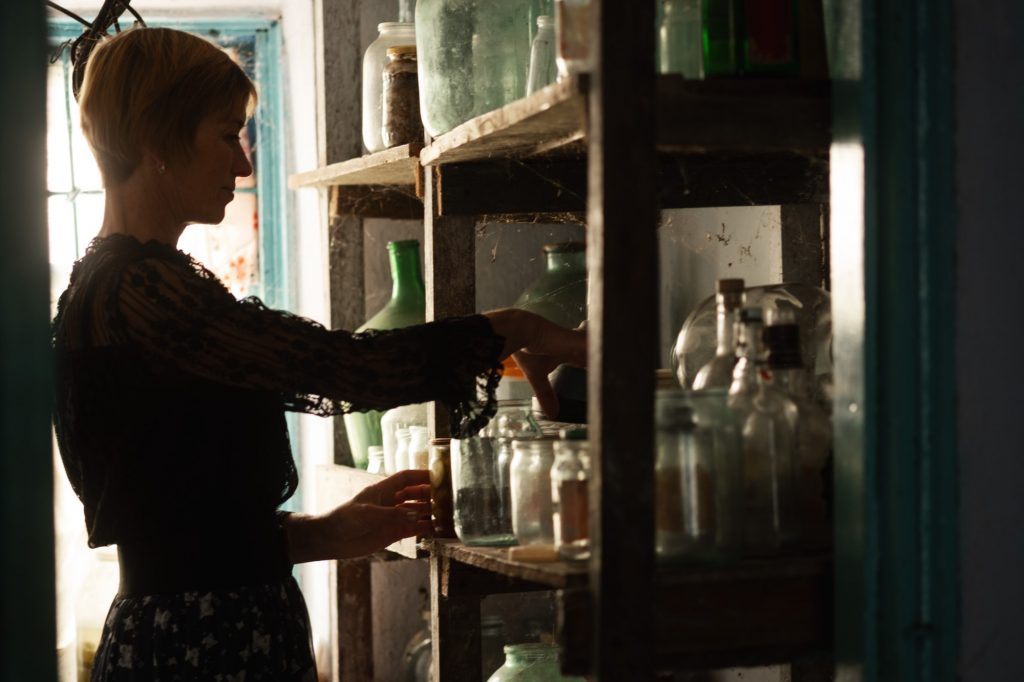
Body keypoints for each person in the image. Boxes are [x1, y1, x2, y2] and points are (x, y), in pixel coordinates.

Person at [51, 26, 586, 681]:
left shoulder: (118, 286)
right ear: (156, 141)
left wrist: (320, 535)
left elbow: (173, 519)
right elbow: (342, 368)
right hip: (205, 645)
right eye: (227, 135)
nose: (243, 164)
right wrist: (518, 326)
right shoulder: (138, 287)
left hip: (205, 632)